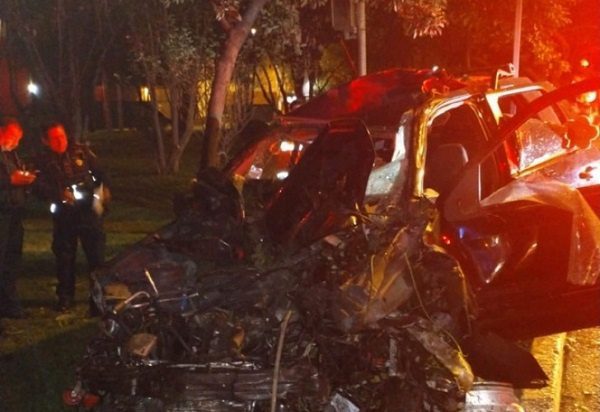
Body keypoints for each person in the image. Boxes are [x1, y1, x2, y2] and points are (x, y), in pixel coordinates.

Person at [35, 122, 110, 313]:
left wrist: (103, 191)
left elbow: (100, 173)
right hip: (64, 215)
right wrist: (58, 193)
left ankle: (98, 300)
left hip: (88, 213)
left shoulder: (81, 152)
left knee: (96, 258)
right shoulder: (43, 161)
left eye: (62, 136)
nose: (61, 141)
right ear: (45, 141)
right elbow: (38, 187)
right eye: (55, 138)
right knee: (65, 258)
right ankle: (65, 297)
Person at [0, 118, 36, 319]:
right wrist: (9, 180)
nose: (16, 142)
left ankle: (10, 304)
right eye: (14, 137)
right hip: (2, 215)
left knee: (12, 260)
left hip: (14, 214)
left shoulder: (11, 155)